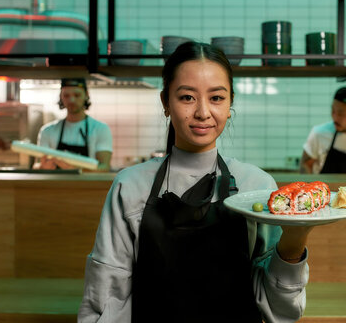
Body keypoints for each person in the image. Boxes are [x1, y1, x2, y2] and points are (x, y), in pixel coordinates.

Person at [78, 42, 311, 323]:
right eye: (187, 97)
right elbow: (107, 299)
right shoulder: (130, 186)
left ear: (230, 103)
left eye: (216, 98)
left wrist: (296, 239)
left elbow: (279, 309)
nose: (202, 112)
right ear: (166, 102)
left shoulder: (258, 186)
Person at [34, 78, 113, 172]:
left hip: (87, 186)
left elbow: (104, 167)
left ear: (86, 95)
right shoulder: (47, 131)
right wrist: (43, 167)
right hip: (57, 186)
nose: (71, 100)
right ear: (61, 97)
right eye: (66, 95)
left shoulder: (101, 129)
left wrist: (77, 169)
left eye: (77, 95)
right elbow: (37, 165)